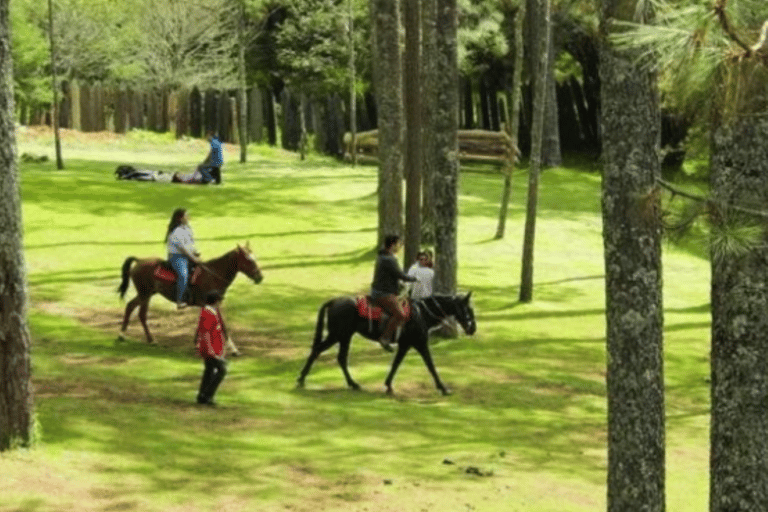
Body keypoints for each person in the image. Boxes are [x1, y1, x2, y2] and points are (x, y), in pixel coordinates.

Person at [371, 235, 417, 351]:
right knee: (400, 315)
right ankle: (385, 338)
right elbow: (400, 275)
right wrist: (415, 279)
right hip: (383, 294)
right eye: (399, 244)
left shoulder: (383, 256)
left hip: (380, 291)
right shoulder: (389, 260)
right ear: (392, 245)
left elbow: (391, 276)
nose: (400, 246)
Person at [196, 290, 228, 406]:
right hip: (210, 349)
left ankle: (202, 396)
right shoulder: (208, 313)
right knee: (222, 370)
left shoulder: (211, 312)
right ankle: (208, 395)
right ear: (216, 301)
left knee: (209, 371)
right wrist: (210, 349)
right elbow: (206, 333)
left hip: (213, 348)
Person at [165, 208, 202, 309]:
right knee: (183, 275)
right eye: (186, 216)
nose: (188, 218)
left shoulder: (187, 229)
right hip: (177, 257)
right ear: (180, 218)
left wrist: (195, 252)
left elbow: (190, 244)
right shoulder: (176, 232)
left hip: (188, 255)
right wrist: (193, 258)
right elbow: (183, 249)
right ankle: (179, 300)